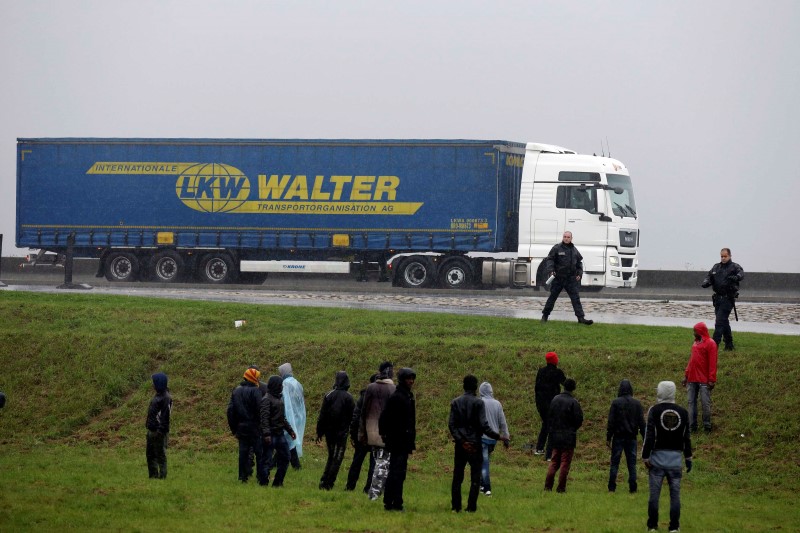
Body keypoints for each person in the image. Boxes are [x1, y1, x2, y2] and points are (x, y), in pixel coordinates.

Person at [449, 375, 506, 513]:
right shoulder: (478, 403)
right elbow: (484, 425)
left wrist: (461, 441)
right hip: (475, 444)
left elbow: (452, 426)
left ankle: (456, 507)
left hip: (460, 445)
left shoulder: (455, 402)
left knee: (457, 477)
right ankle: (471, 507)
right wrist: (498, 436)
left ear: (463, 386)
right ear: (475, 387)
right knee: (475, 477)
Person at [642, 381, 693, 533]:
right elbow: (686, 437)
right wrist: (688, 457)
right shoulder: (683, 412)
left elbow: (649, 436)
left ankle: (652, 526)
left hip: (656, 460)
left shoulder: (654, 410)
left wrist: (645, 456)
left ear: (660, 392)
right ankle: (674, 527)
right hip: (676, 461)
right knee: (675, 497)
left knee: (654, 496)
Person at [379, 367, 417, 512]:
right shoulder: (397, 397)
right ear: (402, 379)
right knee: (396, 472)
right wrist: (386, 435)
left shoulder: (407, 396)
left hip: (403, 440)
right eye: (408, 378)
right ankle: (394, 502)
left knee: (398, 472)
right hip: (398, 440)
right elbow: (384, 418)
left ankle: (392, 501)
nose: (411, 381)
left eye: (412, 378)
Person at [360, 361, 396, 500]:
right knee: (382, 464)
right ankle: (374, 494)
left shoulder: (370, 388)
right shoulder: (392, 389)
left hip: (370, 430)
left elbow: (364, 411)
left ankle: (378, 491)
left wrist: (362, 433)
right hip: (385, 432)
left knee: (378, 461)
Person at [541, 231, 593, 325]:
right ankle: (545, 316)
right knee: (552, 297)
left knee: (575, 299)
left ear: (571, 238)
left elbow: (579, 263)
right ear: (562, 237)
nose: (566, 238)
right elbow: (550, 259)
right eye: (565, 236)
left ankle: (581, 318)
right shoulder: (557, 248)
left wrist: (580, 273)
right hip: (558, 278)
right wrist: (551, 270)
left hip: (571, 279)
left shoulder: (574, 250)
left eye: (568, 237)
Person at [227, 367, 268, 484]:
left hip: (241, 427)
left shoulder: (236, 391)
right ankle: (261, 477)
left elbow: (230, 411)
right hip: (255, 427)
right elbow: (260, 410)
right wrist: (263, 427)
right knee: (259, 453)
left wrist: (234, 428)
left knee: (243, 453)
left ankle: (242, 477)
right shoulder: (256, 391)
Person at [315, 370, 355, 490]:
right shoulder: (349, 398)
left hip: (329, 432)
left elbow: (322, 415)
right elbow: (352, 417)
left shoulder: (329, 395)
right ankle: (328, 483)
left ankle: (324, 481)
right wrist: (352, 433)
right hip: (341, 433)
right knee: (337, 458)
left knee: (331, 456)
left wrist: (319, 432)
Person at [544, 378, 583, 493]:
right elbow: (579, 420)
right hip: (568, 437)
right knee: (565, 463)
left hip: (555, 435)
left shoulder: (555, 399)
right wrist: (572, 429)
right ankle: (561, 488)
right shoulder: (574, 402)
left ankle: (548, 486)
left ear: (563, 386)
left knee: (554, 461)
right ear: (573, 388)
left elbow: (549, 416)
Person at [606, 379, 646, 493]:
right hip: (631, 437)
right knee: (632, 464)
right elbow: (642, 423)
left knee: (614, 463)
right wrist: (644, 438)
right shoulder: (637, 403)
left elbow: (611, 422)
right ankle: (633, 488)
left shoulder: (615, 403)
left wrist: (609, 437)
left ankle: (611, 487)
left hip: (618, 437)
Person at [701, 247, 745, 350]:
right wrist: (706, 282)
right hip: (717, 299)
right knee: (724, 321)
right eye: (722, 256)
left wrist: (737, 277)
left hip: (728, 298)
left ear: (729, 256)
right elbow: (709, 276)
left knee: (720, 321)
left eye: (725, 256)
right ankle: (729, 344)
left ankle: (714, 344)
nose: (723, 258)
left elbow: (741, 274)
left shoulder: (734, 267)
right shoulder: (716, 267)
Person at [260, 375, 297, 487]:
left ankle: (278, 482)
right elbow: (264, 418)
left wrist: (290, 430)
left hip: (279, 434)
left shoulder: (279, 399)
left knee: (286, 457)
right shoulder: (266, 399)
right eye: (280, 385)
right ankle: (264, 482)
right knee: (266, 460)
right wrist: (266, 434)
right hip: (270, 435)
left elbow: (282, 418)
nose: (282, 387)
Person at [682, 322, 718, 432]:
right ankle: (692, 426)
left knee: (705, 403)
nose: (694, 334)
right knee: (691, 402)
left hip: (704, 380)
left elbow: (713, 363)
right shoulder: (695, 343)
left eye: (695, 331)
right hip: (692, 378)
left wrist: (712, 379)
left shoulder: (711, 344)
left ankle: (707, 425)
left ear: (700, 331)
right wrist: (686, 375)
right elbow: (691, 361)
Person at [345, 373, 378, 492]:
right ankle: (368, 489)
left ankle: (350, 486)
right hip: (375, 436)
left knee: (357, 462)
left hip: (363, 435)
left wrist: (353, 435)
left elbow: (355, 417)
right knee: (372, 465)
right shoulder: (383, 398)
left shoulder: (363, 396)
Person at [479, 381, 510, 496]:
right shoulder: (497, 404)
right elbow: (503, 422)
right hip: (493, 439)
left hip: (482, 438)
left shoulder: (479, 402)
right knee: (484, 461)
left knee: (484, 463)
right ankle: (482, 486)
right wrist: (506, 437)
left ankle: (487, 488)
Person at [534, 351, 566, 458]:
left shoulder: (541, 371)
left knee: (546, 425)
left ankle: (539, 448)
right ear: (555, 360)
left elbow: (536, 388)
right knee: (553, 426)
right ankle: (549, 453)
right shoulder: (557, 372)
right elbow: (566, 384)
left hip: (541, 404)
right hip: (553, 404)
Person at [278, 362, 306, 470]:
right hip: (298, 416)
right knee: (288, 440)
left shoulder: (285, 384)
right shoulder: (297, 383)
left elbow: (286, 403)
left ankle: (296, 465)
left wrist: (285, 417)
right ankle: (274, 463)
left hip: (290, 417)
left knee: (288, 440)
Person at [145, 372, 173, 479]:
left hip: (159, 431)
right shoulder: (157, 396)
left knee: (160, 456)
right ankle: (153, 476)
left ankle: (162, 477)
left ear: (159, 383)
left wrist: (160, 431)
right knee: (150, 455)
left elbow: (165, 417)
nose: (153, 385)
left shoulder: (166, 398)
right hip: (151, 430)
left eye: (154, 382)